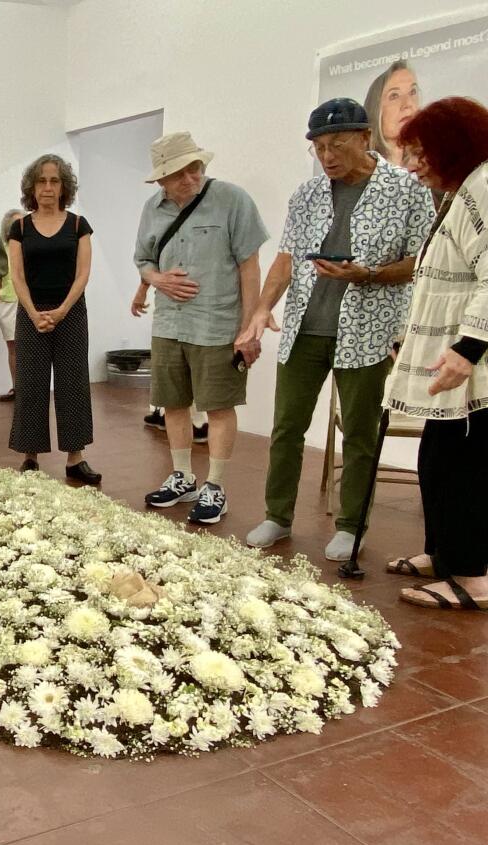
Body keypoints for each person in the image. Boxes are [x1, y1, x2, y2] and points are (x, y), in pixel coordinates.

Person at [238, 99, 434, 562]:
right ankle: (278, 516)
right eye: (319, 147)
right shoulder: (305, 195)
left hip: (369, 330)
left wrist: (366, 274)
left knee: (361, 434)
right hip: (306, 328)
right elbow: (286, 259)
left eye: (337, 144)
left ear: (365, 139)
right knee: (286, 427)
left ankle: (351, 526)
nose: (327, 156)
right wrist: (261, 310)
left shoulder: (407, 190)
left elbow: (421, 263)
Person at [383, 96, 488, 610]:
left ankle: (470, 577)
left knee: (461, 467)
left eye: (423, 153)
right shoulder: (463, 191)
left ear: (455, 147)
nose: (412, 165)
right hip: (456, 359)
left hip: (475, 366)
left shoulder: (484, 186)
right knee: (437, 458)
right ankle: (445, 554)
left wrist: (468, 348)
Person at [133, 132, 268, 525]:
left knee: (219, 405)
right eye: (178, 173)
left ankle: (216, 486)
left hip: (217, 323)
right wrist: (156, 281)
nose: (190, 178)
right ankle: (182, 476)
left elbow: (250, 266)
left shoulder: (233, 200)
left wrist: (248, 328)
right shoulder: (152, 208)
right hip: (169, 323)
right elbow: (143, 260)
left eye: (195, 168)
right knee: (173, 402)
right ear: (161, 179)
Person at [7, 157, 100, 484]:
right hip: (31, 312)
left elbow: (83, 274)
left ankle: (76, 458)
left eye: (54, 181)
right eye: (42, 181)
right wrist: (34, 313)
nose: (48, 188)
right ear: (32, 187)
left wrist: (61, 311)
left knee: (72, 383)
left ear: (64, 187)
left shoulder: (78, 225)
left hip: (70, 312)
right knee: (30, 383)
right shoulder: (19, 228)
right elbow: (16, 276)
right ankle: (30, 456)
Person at [364, 61, 421, 168]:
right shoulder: (362, 173)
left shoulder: (436, 168)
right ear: (375, 109)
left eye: (412, 92)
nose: (408, 104)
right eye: (394, 96)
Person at [0, 209, 23, 401]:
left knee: (29, 347)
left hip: (27, 303)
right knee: (12, 348)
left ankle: (31, 388)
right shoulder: (2, 249)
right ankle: (17, 388)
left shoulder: (31, 247)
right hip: (7, 303)